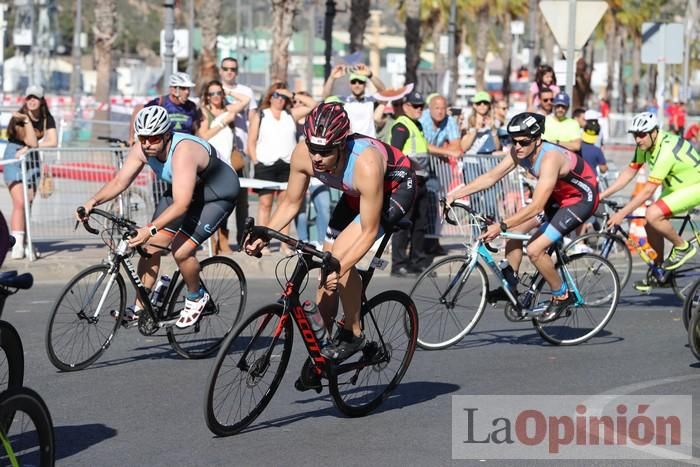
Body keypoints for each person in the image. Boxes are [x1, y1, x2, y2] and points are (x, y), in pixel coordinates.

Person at [244, 102, 415, 361]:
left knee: (339, 263)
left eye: (324, 152)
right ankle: (321, 355)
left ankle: (353, 333)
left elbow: (368, 232)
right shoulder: (303, 154)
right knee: (326, 275)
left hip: (395, 187)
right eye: (313, 149)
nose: (316, 158)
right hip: (355, 193)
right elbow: (291, 202)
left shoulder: (365, 163)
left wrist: (342, 266)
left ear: (341, 145)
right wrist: (264, 233)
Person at [79, 106, 240, 327]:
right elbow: (120, 182)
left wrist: (150, 228)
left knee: (181, 251)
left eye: (153, 138)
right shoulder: (142, 149)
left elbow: (182, 204)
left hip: (217, 193)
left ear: (166, 135)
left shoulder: (183, 151)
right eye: (142, 138)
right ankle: (140, 307)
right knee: (149, 247)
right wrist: (92, 202)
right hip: (185, 189)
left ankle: (196, 295)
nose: (147, 144)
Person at [446, 112, 599, 322]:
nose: (517, 146)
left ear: (537, 140)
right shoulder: (519, 151)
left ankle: (562, 295)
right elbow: (491, 177)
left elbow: (536, 206)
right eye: (513, 141)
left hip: (581, 200)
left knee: (535, 249)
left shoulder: (550, 158)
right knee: (515, 233)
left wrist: (500, 226)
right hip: (558, 196)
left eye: (523, 142)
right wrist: (456, 194)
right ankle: (511, 285)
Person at [600, 112, 700, 292]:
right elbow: (629, 173)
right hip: (676, 185)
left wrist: (622, 214)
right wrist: (602, 194)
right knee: (649, 224)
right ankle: (660, 271)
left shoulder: (665, 150)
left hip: (694, 186)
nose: (638, 140)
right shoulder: (645, 146)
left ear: (654, 132)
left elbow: (647, 191)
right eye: (635, 135)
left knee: (653, 214)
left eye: (642, 135)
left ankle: (683, 247)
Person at [247, 82, 316, 255]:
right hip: (266, 164)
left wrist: (291, 94)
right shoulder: (260, 114)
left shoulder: (290, 114)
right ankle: (263, 242)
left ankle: (285, 244)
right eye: (276, 95)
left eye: (282, 97)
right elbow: (251, 141)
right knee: (265, 204)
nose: (280, 99)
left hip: (287, 165)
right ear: (270, 97)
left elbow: (312, 104)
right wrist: (256, 161)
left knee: (286, 204)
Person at [196, 79, 251, 253]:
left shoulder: (228, 109)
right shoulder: (205, 112)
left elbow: (246, 100)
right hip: (214, 163)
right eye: (212, 93)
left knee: (235, 202)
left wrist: (228, 90)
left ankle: (228, 239)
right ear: (207, 96)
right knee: (217, 203)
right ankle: (216, 240)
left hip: (230, 162)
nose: (216, 96)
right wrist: (223, 123)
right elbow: (204, 136)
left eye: (218, 93)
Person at [129, 72, 200, 206]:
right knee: (162, 194)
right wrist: (132, 137)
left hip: (184, 155)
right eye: (184, 88)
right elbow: (139, 110)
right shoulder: (160, 103)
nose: (187, 92)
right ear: (174, 89)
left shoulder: (191, 107)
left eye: (188, 89)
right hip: (163, 155)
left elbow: (195, 128)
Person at [5, 85, 58, 260]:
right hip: (15, 157)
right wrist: (27, 122)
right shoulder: (18, 118)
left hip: (31, 158)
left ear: (42, 100)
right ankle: (16, 244)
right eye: (29, 98)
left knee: (28, 203)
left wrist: (29, 149)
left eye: (35, 97)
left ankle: (26, 241)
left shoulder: (46, 118)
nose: (32, 101)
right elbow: (32, 141)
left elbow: (52, 141)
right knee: (19, 202)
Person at [389, 90, 430, 276]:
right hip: (408, 182)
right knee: (402, 225)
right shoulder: (402, 125)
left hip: (421, 180)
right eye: (415, 106)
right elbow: (395, 153)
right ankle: (398, 264)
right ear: (406, 106)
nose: (419, 109)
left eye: (421, 106)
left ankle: (416, 261)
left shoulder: (418, 125)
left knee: (419, 225)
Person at [219, 57, 257, 247]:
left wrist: (252, 148)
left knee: (242, 201)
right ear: (221, 70)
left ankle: (242, 239)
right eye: (226, 68)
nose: (229, 72)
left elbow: (252, 120)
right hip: (220, 152)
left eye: (232, 69)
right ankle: (221, 240)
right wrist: (223, 92)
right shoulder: (215, 91)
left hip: (239, 153)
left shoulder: (245, 91)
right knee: (222, 198)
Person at [322, 63, 386, 137]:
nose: (357, 85)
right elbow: (326, 97)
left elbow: (383, 91)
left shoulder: (371, 100)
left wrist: (370, 75)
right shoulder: (343, 100)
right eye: (354, 82)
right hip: (350, 143)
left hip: (369, 142)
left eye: (360, 82)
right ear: (350, 84)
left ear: (365, 84)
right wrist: (332, 78)